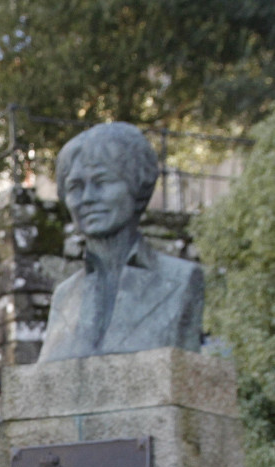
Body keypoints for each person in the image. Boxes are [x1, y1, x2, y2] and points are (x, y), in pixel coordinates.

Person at [37, 121, 203, 363]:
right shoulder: (64, 296)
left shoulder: (180, 280)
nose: (87, 199)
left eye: (102, 182)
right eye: (75, 187)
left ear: (137, 186)